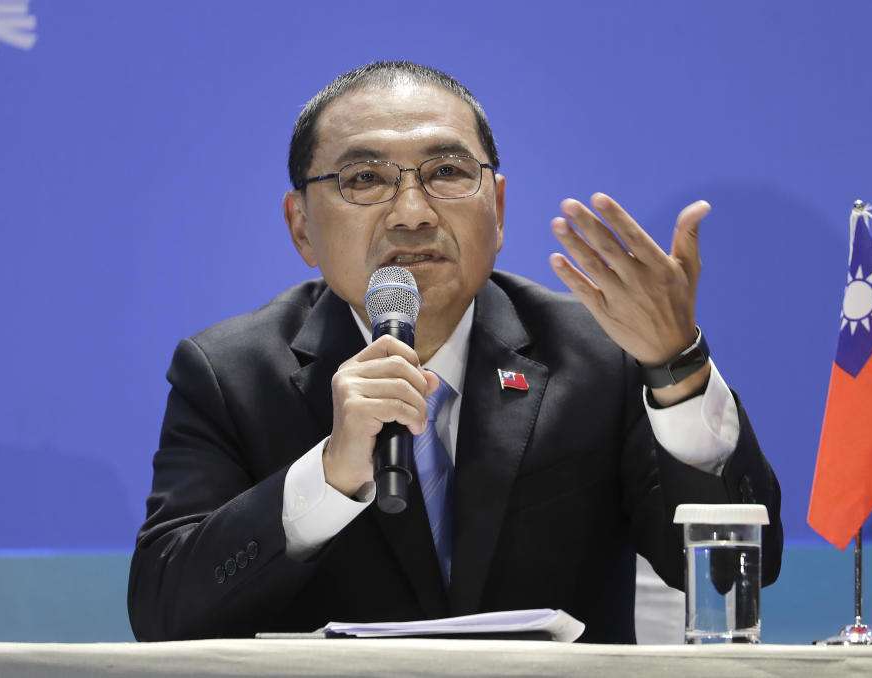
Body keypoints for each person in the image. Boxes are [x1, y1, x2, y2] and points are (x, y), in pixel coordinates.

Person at [128, 61, 782, 643]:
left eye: (446, 173)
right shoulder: (230, 373)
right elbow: (163, 611)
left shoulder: (600, 354)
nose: (412, 212)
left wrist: (678, 368)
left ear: (497, 208)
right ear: (302, 226)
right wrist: (327, 476)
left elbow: (735, 575)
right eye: (364, 178)